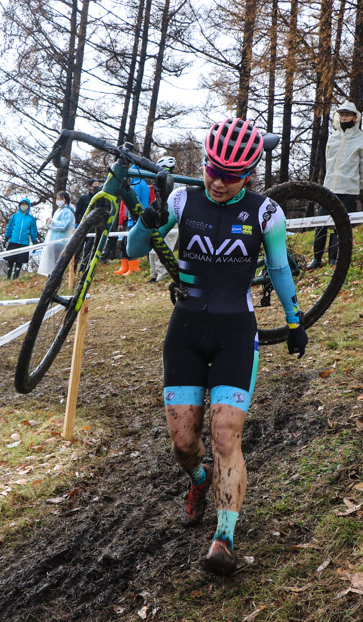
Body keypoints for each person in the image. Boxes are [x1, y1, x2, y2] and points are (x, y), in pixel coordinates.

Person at [127, 118, 307, 576]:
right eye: (212, 168)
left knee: (225, 434)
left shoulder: (266, 213)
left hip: (235, 335)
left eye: (231, 175)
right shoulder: (182, 199)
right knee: (184, 445)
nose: (218, 180)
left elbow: (281, 270)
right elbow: (131, 247)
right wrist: (148, 220)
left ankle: (223, 538)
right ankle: (200, 481)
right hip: (185, 332)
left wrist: (294, 320)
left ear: (248, 174)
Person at [308, 101, 363, 269]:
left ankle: (334, 260)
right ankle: (316, 259)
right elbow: (328, 162)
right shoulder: (333, 137)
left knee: (340, 225)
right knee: (321, 223)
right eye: (342, 115)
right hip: (329, 187)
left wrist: (357, 184)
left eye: (347, 115)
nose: (344, 118)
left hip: (348, 188)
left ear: (355, 117)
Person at [148, 156, 180, 283]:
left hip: (169, 218)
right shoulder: (166, 181)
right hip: (160, 216)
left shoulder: (175, 182)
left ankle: (160, 275)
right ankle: (155, 274)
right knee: (156, 245)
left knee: (164, 246)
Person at [114, 170, 152, 276]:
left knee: (128, 242)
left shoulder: (136, 184)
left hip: (135, 216)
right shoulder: (143, 184)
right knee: (126, 242)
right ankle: (125, 266)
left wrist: (130, 218)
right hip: (139, 216)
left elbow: (133, 201)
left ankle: (133, 267)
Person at [38, 192, 75, 277]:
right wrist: (49, 223)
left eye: (60, 198)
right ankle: (52, 278)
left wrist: (53, 222)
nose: (58, 201)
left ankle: (56, 280)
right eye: (57, 199)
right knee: (52, 264)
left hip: (61, 242)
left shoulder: (68, 212)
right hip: (53, 241)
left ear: (65, 199)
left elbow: (64, 226)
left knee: (57, 264)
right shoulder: (58, 211)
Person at [4, 198, 39, 279]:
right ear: (19, 205)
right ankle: (8, 277)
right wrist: (6, 238)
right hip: (13, 240)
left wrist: (34, 241)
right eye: (22, 204)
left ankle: (16, 277)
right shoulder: (15, 216)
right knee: (10, 260)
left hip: (24, 242)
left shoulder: (31, 219)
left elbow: (33, 231)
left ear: (28, 206)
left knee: (19, 261)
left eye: (25, 204)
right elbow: (9, 227)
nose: (24, 206)